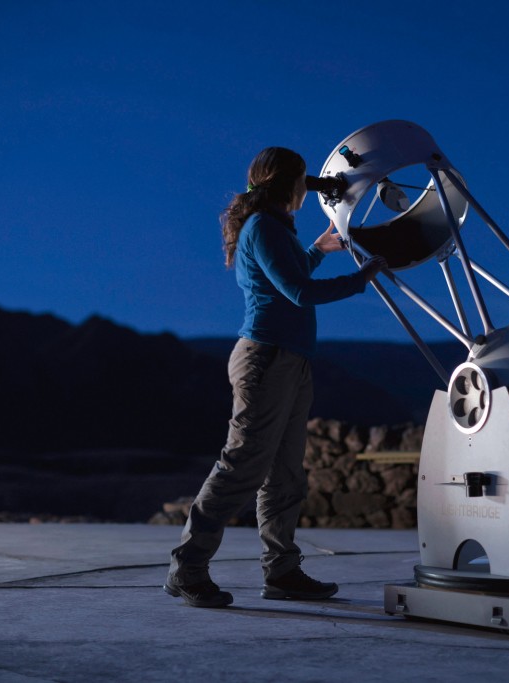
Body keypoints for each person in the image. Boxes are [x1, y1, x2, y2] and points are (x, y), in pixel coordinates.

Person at [165, 146, 386, 608]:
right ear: (288, 183)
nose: (309, 188)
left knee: (285, 476)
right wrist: (361, 278)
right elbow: (297, 292)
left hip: (290, 359)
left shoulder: (274, 227)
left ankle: (282, 571)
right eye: (304, 179)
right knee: (242, 466)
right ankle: (187, 568)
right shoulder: (263, 226)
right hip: (266, 358)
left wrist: (317, 251)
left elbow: (287, 274)